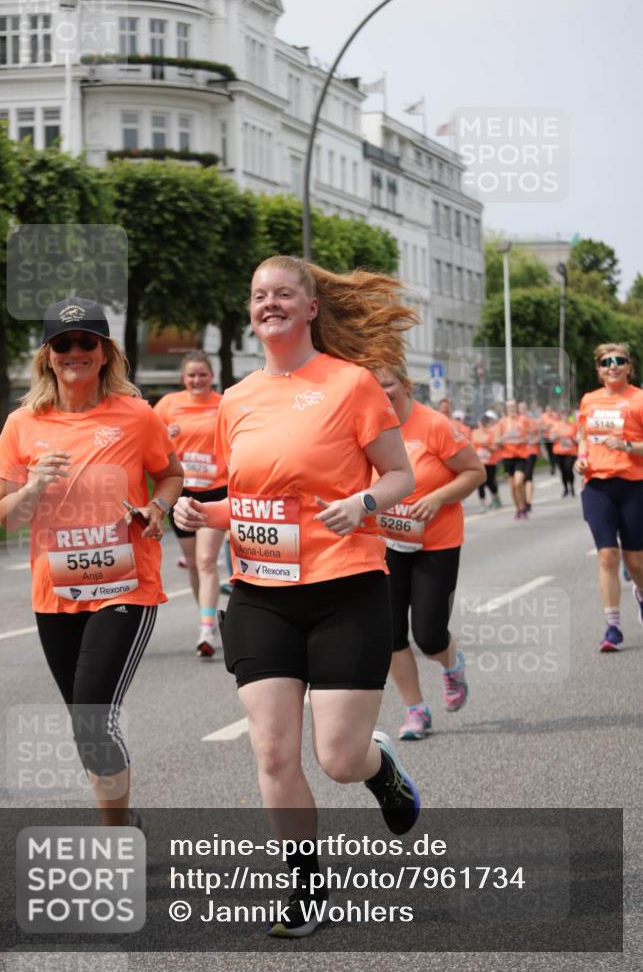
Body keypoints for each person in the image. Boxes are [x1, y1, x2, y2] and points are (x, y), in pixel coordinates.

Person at [174, 256, 420, 937]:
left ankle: (381, 768)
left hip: (345, 587)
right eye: (258, 295)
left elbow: (398, 474)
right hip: (261, 592)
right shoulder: (238, 398)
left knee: (337, 759)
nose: (269, 304)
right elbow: (249, 500)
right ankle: (306, 886)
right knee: (274, 751)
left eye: (283, 293)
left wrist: (363, 499)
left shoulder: (351, 385)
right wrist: (202, 513)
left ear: (310, 308)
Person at [0, 299, 183, 824]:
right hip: (56, 593)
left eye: (85, 343)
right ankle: (125, 818)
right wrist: (32, 485)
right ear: (48, 357)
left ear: (104, 354)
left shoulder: (136, 415)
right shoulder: (22, 423)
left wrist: (156, 507)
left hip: (126, 585)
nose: (74, 353)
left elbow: (171, 474)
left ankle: (116, 834)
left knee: (94, 716)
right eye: (62, 344)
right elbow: (5, 516)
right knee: (83, 722)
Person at [374, 366, 485, 740]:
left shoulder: (434, 425)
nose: (381, 393)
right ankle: (415, 710)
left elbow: (474, 472)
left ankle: (451, 665)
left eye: (386, 385)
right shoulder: (368, 428)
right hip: (387, 542)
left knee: (429, 634)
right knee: (388, 632)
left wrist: (438, 498)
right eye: (372, 388)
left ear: (405, 385)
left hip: (436, 543)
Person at [154, 351, 227, 656]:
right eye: (191, 376)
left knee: (207, 560)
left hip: (216, 490)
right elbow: (150, 447)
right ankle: (206, 618)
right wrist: (163, 438)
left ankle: (206, 630)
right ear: (183, 379)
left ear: (212, 376)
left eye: (203, 375)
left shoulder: (225, 404)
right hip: (182, 492)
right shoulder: (169, 405)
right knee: (195, 565)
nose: (197, 380)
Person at [575, 343, 643, 651]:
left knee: (637, 562)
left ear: (629, 367)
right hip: (597, 486)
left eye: (619, 361)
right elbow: (583, 436)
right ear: (599, 371)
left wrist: (626, 446)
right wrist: (580, 457)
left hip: (634, 485)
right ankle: (613, 627)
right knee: (607, 556)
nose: (612, 366)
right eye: (606, 362)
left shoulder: (639, 399)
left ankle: (640, 595)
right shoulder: (589, 400)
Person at [495, 399, 529, 519]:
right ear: (506, 409)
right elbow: (497, 440)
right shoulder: (502, 422)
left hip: (520, 456)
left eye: (513, 407)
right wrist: (501, 441)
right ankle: (518, 508)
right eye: (509, 407)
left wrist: (517, 440)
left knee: (518, 482)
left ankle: (523, 506)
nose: (512, 409)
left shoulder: (522, 420)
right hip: (507, 457)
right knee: (513, 487)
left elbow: (526, 437)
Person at [471, 411, 502, 511]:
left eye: (484, 422)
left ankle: (496, 499)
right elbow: (471, 447)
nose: (481, 424)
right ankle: (482, 504)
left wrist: (485, 445)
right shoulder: (474, 433)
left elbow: (494, 448)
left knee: (490, 482)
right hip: (479, 462)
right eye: (480, 422)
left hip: (490, 461)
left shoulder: (490, 433)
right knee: (480, 483)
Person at [550, 409, 578, 497]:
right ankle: (565, 488)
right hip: (559, 452)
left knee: (569, 469)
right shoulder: (556, 425)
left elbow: (578, 438)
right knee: (563, 471)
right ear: (560, 416)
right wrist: (557, 436)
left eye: (567, 414)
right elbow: (551, 437)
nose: (565, 416)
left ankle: (572, 487)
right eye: (563, 414)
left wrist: (573, 438)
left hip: (571, 452)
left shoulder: (574, 425)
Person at [518, 400, 539, 513]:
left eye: (524, 409)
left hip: (531, 451)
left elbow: (537, 436)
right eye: (520, 409)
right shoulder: (514, 422)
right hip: (519, 453)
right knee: (520, 479)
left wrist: (531, 440)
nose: (522, 411)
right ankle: (523, 499)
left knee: (528, 476)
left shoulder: (532, 421)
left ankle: (528, 502)